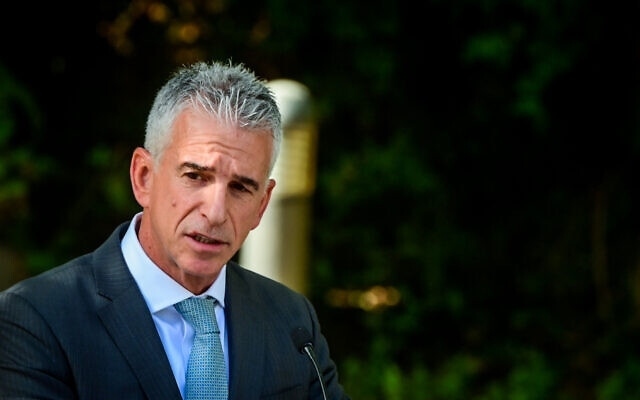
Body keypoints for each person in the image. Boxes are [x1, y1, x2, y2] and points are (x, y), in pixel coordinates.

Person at [0, 60, 350, 400]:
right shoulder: (37, 319)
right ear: (144, 177)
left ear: (262, 205)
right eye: (195, 176)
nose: (215, 213)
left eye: (240, 187)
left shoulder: (291, 321)